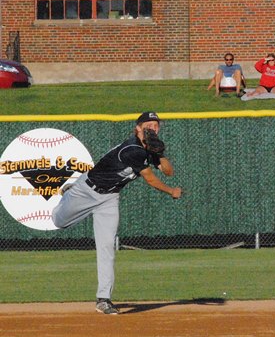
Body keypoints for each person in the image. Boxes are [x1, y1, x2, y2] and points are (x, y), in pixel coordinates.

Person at [52, 111, 182, 315]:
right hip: (87, 190)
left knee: (106, 249)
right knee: (58, 221)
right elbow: (151, 179)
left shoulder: (149, 149)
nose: (153, 128)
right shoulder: (132, 149)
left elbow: (168, 171)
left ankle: (103, 299)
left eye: (156, 125)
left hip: (109, 199)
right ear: (138, 128)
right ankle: (69, 192)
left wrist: (160, 154)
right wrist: (171, 191)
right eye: (148, 124)